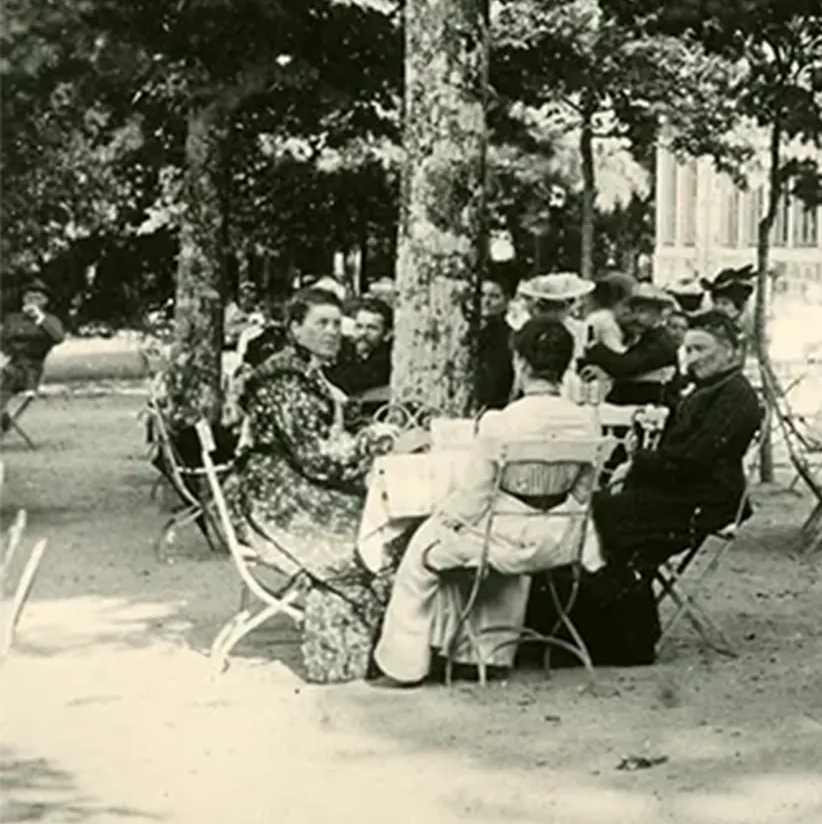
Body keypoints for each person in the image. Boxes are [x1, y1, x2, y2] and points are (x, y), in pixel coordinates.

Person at [371, 318, 604, 687]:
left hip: (505, 539)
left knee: (423, 549)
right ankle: (486, 653)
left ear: (521, 364)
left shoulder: (501, 421)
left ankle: (405, 663)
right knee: (496, 527)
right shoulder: (587, 422)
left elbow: (475, 495)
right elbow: (583, 492)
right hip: (560, 540)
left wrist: (444, 518)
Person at [233, 289, 402, 682]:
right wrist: (369, 442)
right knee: (372, 535)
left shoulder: (306, 371)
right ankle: (349, 655)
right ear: (295, 328)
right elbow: (317, 457)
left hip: (293, 486)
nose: (331, 332)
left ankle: (378, 647)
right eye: (319, 324)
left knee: (381, 519)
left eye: (334, 323)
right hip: (277, 500)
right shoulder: (284, 379)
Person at [590, 312, 761, 576]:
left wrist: (640, 460)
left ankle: (621, 593)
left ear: (728, 351)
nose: (692, 358)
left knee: (604, 513)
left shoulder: (735, 394)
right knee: (597, 506)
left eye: (701, 349)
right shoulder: (709, 386)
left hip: (708, 500)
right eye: (688, 350)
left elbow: (694, 458)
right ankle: (623, 589)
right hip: (688, 489)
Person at [579, 283, 682, 407]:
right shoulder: (643, 337)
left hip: (655, 409)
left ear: (659, 314)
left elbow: (625, 366)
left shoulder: (661, 343)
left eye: (643, 311)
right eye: (634, 310)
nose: (635, 316)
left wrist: (595, 347)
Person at [329, 297, 394, 415]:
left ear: (387, 334)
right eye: (359, 326)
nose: (363, 333)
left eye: (372, 328)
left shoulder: (389, 359)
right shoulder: (343, 351)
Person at [1, 286, 67, 402]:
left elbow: (58, 337)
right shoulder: (12, 319)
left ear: (45, 301)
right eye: (28, 297)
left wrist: (39, 317)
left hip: (32, 368)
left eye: (37, 298)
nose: (32, 301)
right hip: (9, 363)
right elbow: (3, 341)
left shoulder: (50, 320)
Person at [469, 279, 517, 412]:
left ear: (507, 300)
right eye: (482, 295)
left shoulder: (507, 336)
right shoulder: (472, 332)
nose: (486, 301)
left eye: (494, 296)